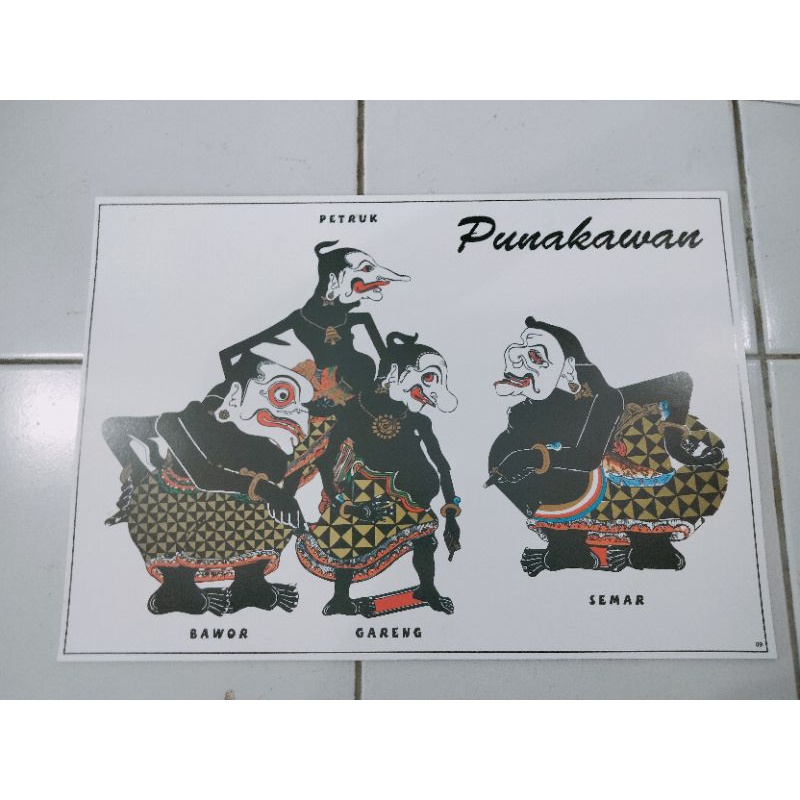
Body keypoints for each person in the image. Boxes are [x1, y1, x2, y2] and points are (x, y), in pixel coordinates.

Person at [487, 317, 726, 575]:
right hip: (574, 464)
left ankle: (646, 551)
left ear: (568, 366)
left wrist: (530, 459)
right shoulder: (548, 392)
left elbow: (586, 457)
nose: (518, 359)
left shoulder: (602, 397)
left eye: (535, 355)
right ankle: (571, 549)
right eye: (521, 347)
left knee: (631, 505)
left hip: (618, 466)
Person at [103, 353, 313, 615]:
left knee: (266, 509)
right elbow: (113, 427)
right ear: (234, 396)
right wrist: (136, 476)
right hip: (175, 512)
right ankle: (178, 589)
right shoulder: (177, 422)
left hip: (227, 515)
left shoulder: (255, 436)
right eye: (280, 395)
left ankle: (249, 585)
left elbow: (276, 470)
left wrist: (275, 491)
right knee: (161, 511)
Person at [295, 332, 462, 616]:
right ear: (395, 373)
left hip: (415, 497)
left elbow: (442, 465)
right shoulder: (353, 410)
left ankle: (427, 589)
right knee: (345, 541)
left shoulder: (417, 418)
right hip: (368, 496)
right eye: (428, 377)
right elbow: (325, 461)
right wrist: (344, 504)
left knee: (425, 542)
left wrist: (450, 514)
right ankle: (341, 599)